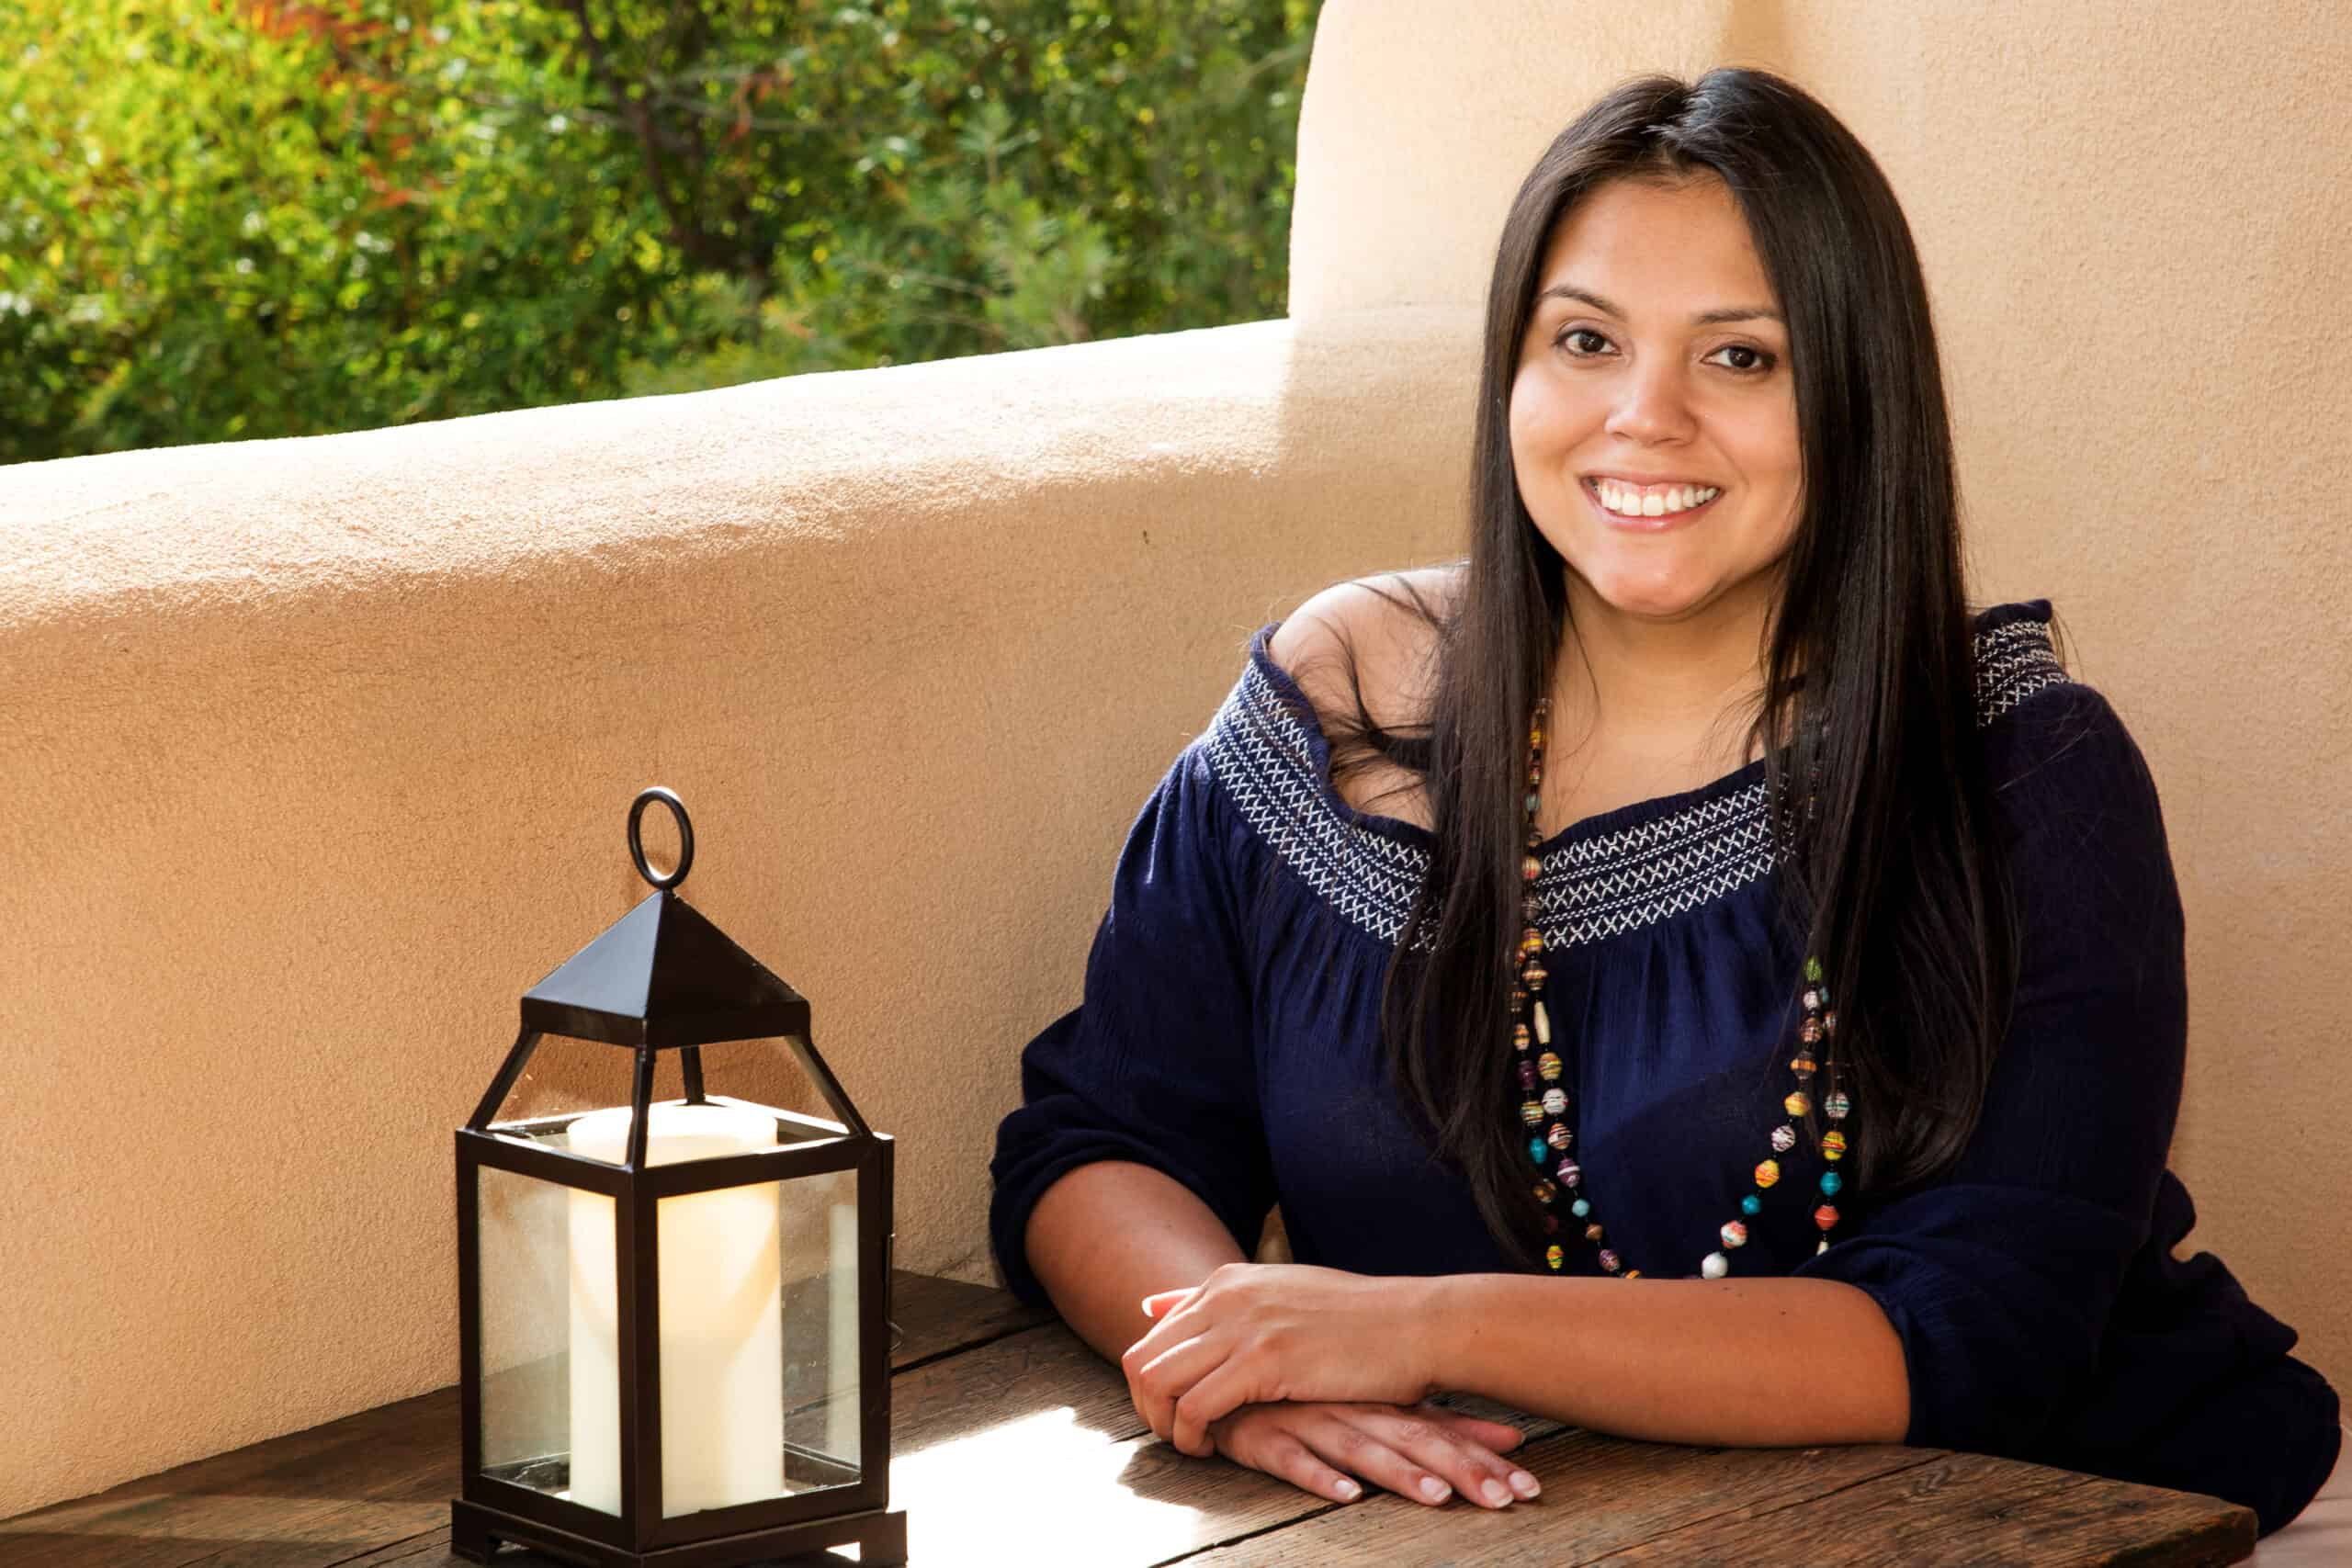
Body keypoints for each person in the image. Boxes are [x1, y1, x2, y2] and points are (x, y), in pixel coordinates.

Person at [988, 65, 2345, 1548]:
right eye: (1585, 341)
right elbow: (1104, 1135)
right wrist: (1239, 1369)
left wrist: (1413, 1328)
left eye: (1742, 359)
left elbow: (1977, 1333)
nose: (1645, 420)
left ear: (1855, 389)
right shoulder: (1336, 698)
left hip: (2119, 1522)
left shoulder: (2020, 772)